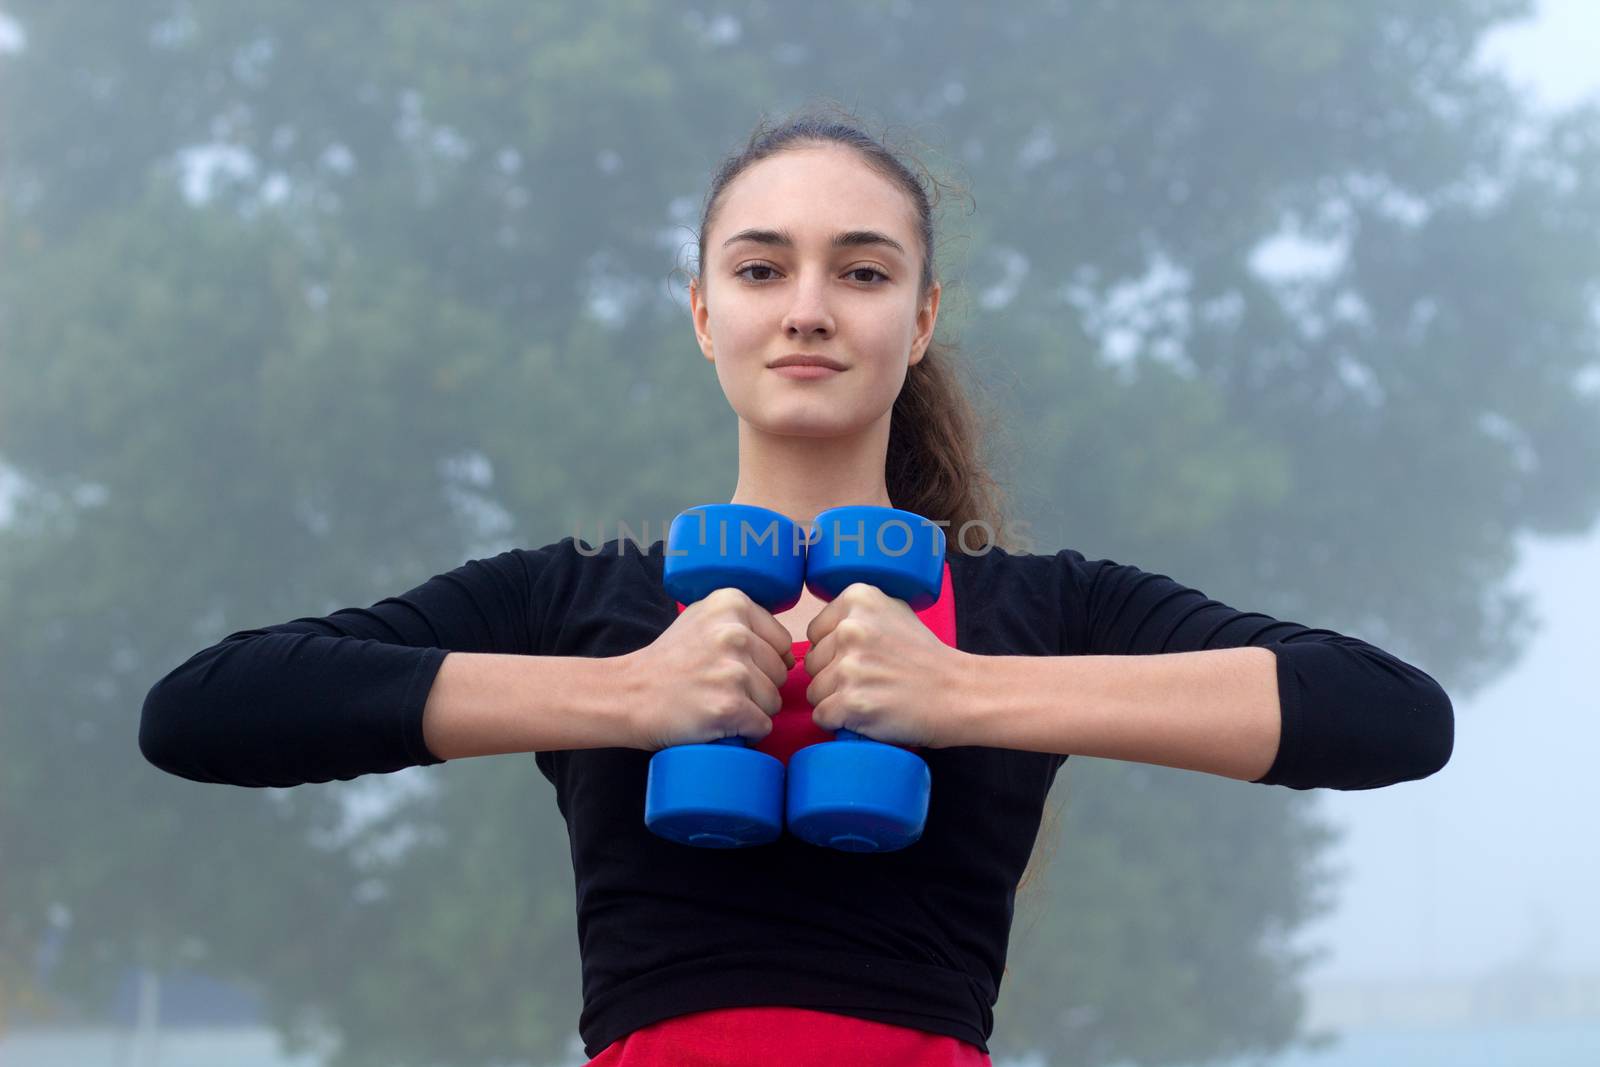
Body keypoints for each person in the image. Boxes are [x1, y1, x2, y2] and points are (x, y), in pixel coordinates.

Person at [140, 108, 1455, 1066]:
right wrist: (623, 694)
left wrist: (968, 692)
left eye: (863, 270)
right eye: (762, 268)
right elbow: (204, 713)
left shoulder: (1034, 614)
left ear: (922, 317)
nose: (809, 308)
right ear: (706, 313)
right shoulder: (579, 601)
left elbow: (1391, 715)